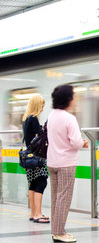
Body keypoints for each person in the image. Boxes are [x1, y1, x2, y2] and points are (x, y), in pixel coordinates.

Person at [47, 85, 88, 243]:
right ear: (68, 100)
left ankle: (55, 230)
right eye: (73, 96)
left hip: (52, 161)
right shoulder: (69, 118)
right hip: (66, 163)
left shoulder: (51, 116)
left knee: (56, 197)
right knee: (64, 197)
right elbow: (76, 142)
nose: (74, 99)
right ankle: (59, 232)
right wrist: (83, 143)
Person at [22, 94, 49, 223]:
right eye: (42, 105)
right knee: (41, 182)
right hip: (37, 157)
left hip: (29, 157)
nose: (43, 108)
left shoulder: (26, 119)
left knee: (33, 183)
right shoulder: (33, 119)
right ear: (38, 105)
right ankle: (38, 214)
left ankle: (33, 213)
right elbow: (41, 136)